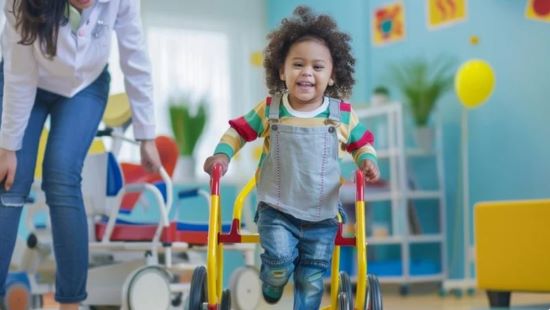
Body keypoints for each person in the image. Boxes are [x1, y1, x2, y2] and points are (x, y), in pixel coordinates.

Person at [203, 6, 379, 309]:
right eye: (298, 64)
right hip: (277, 208)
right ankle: (272, 279)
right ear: (281, 71)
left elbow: (362, 142)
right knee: (280, 261)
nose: (307, 72)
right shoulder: (272, 108)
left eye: (317, 66)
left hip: (322, 214)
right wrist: (222, 154)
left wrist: (367, 160)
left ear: (333, 74)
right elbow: (238, 131)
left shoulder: (341, 115)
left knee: (311, 278)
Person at [0, 0, 160, 309]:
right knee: (10, 181)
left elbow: (135, 57)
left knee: (62, 176)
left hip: (84, 86)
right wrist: (8, 147)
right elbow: (19, 76)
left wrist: (146, 134)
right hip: (26, 79)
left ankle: (70, 304)